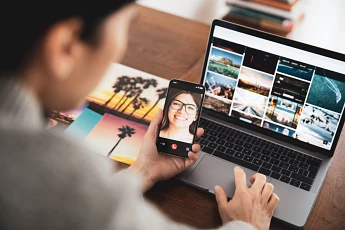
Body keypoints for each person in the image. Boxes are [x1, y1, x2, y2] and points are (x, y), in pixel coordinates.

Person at [0, 1, 279, 230]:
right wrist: (248, 224)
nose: (120, 48)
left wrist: (143, 170)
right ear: (65, 46)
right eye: (126, 26)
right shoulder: (49, 170)